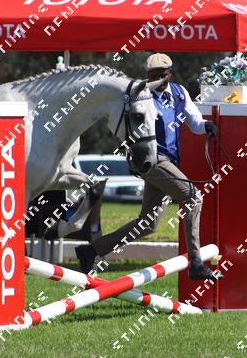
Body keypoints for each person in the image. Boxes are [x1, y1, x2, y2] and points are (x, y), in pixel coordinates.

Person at [76, 53, 220, 281]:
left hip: (169, 161)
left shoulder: (180, 93)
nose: (159, 80)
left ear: (170, 73)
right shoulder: (141, 96)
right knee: (193, 198)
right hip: (152, 160)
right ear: (147, 75)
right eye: (154, 76)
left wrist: (207, 126)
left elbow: (194, 123)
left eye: (163, 75)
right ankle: (195, 263)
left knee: (148, 225)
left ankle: (91, 250)